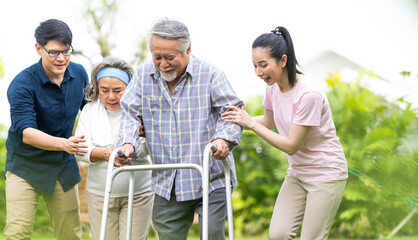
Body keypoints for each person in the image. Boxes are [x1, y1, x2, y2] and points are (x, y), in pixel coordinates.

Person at [115, 18, 243, 240]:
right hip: (167, 180)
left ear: (188, 50)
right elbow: (129, 112)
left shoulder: (210, 74)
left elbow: (232, 113)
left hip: (210, 177)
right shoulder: (144, 76)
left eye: (170, 57)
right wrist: (128, 143)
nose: (163, 64)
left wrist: (224, 140)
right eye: (157, 57)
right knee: (168, 235)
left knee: (211, 234)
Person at [222, 26, 348, 240]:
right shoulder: (272, 87)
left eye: (263, 65)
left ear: (282, 60)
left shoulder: (309, 94)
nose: (258, 72)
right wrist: (239, 121)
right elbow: (269, 121)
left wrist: (251, 125)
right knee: (279, 234)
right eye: (254, 66)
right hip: (298, 173)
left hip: (325, 174)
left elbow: (291, 144)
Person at [4, 19, 89, 240]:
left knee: (70, 235)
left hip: (62, 166)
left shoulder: (79, 74)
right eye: (53, 52)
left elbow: (92, 113)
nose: (61, 58)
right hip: (25, 167)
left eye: (66, 51)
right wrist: (65, 144)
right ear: (38, 49)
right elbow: (26, 133)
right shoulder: (22, 84)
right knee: (18, 233)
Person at [74, 56, 154, 240]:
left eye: (118, 90)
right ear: (96, 88)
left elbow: (151, 147)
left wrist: (136, 145)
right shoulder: (90, 111)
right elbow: (81, 147)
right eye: (104, 90)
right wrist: (105, 154)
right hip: (100, 193)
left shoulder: (141, 110)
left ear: (129, 88)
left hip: (139, 192)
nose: (111, 96)